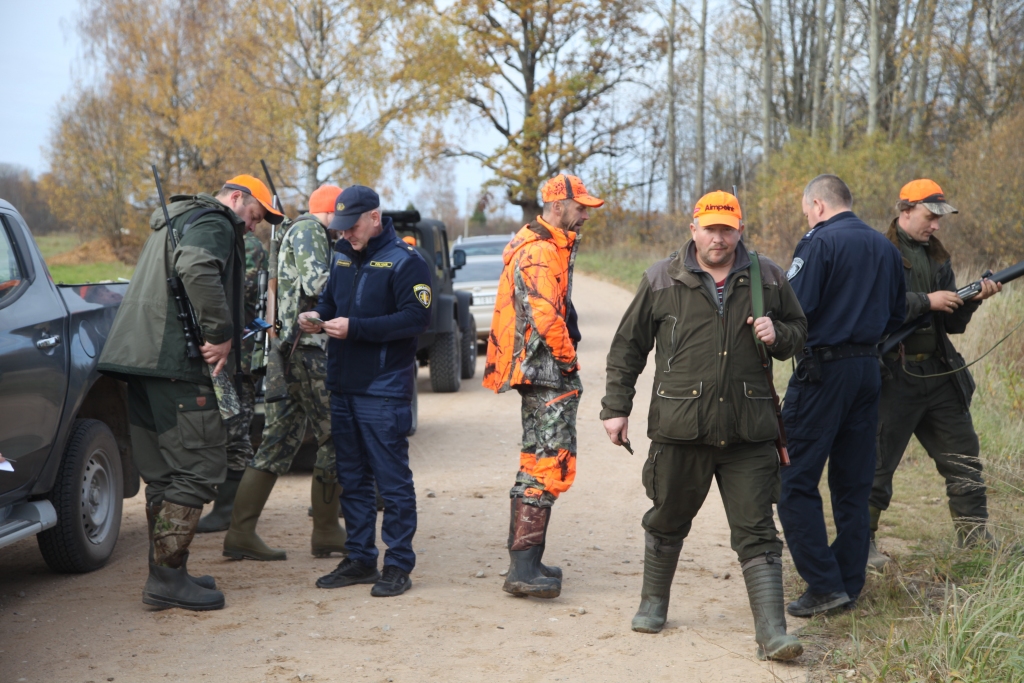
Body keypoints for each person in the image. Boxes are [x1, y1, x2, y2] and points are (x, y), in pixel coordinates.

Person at [600, 191, 806, 660]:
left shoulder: (768, 275)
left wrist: (779, 335)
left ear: (739, 229)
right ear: (693, 227)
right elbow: (628, 348)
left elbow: (799, 330)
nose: (718, 237)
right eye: (710, 228)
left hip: (749, 431)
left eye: (727, 229)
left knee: (757, 530)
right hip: (680, 428)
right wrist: (617, 407)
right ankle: (653, 603)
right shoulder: (661, 277)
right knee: (668, 517)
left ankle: (772, 634)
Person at [97, 175, 284, 611]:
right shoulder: (216, 221)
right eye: (253, 217)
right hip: (177, 365)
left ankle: (169, 572)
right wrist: (220, 334)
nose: (252, 228)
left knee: (164, 474)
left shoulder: (175, 220)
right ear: (236, 199)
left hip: (140, 363)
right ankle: (165, 578)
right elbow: (197, 268)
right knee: (199, 467)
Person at [777, 175, 905, 617]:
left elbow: (795, 308)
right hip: (868, 370)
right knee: (852, 484)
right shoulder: (886, 248)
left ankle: (823, 584)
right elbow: (897, 314)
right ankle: (848, 584)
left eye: (805, 209)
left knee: (793, 480)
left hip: (823, 372)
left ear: (817, 204)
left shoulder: (818, 242)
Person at [298, 185, 431, 598]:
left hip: (383, 388)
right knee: (350, 479)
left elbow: (415, 319)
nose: (345, 234)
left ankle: (397, 564)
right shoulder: (341, 253)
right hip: (342, 385)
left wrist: (356, 329)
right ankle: (359, 558)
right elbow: (330, 300)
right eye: (340, 227)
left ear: (374, 217)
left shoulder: (406, 261)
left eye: (352, 226)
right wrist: (317, 315)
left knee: (391, 483)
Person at [868, 180, 1001, 567]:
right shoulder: (879, 251)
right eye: (930, 217)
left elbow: (953, 324)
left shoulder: (939, 257)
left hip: (939, 374)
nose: (936, 226)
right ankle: (862, 543)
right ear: (904, 211)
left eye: (940, 218)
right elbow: (876, 307)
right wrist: (926, 301)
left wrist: (973, 300)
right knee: (875, 465)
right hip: (894, 374)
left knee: (964, 458)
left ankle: (975, 540)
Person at [482, 173, 603, 599]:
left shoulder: (545, 245)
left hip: (537, 370)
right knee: (550, 462)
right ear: (557, 206)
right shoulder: (540, 251)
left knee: (535, 460)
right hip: (546, 370)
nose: (585, 213)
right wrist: (569, 362)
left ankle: (526, 562)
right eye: (580, 206)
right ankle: (523, 569)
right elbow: (544, 314)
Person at [222, 184, 348, 561]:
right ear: (330, 212)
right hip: (306, 352)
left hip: (285, 351)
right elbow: (317, 284)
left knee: (278, 442)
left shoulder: (296, 231)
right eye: (340, 219)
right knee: (335, 437)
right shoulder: (311, 230)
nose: (343, 228)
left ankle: (240, 533)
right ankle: (326, 530)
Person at [197, 229, 267, 532]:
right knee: (223, 428)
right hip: (224, 353)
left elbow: (245, 292)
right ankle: (226, 505)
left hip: (238, 356)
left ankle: (228, 510)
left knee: (236, 430)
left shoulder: (247, 244)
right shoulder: (222, 240)